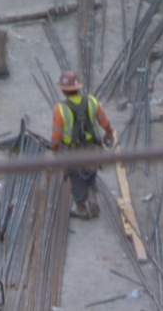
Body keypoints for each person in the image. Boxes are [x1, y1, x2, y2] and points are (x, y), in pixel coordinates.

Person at [50, 71, 116, 219]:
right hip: (92, 147)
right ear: (78, 87)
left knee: (76, 178)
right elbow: (104, 120)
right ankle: (93, 199)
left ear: (63, 90)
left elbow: (56, 136)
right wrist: (109, 132)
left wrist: (55, 150)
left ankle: (81, 209)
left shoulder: (60, 109)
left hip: (73, 152)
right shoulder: (91, 100)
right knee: (91, 173)